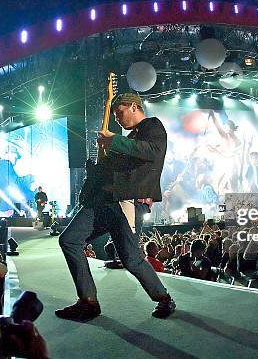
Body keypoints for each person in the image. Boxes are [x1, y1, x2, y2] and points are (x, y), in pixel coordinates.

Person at [57, 93, 175, 321]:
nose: (117, 118)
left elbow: (153, 151)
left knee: (131, 258)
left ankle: (164, 298)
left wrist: (114, 141)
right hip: (103, 202)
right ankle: (88, 301)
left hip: (127, 203)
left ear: (134, 106)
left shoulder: (153, 126)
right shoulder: (129, 140)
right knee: (69, 240)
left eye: (119, 112)